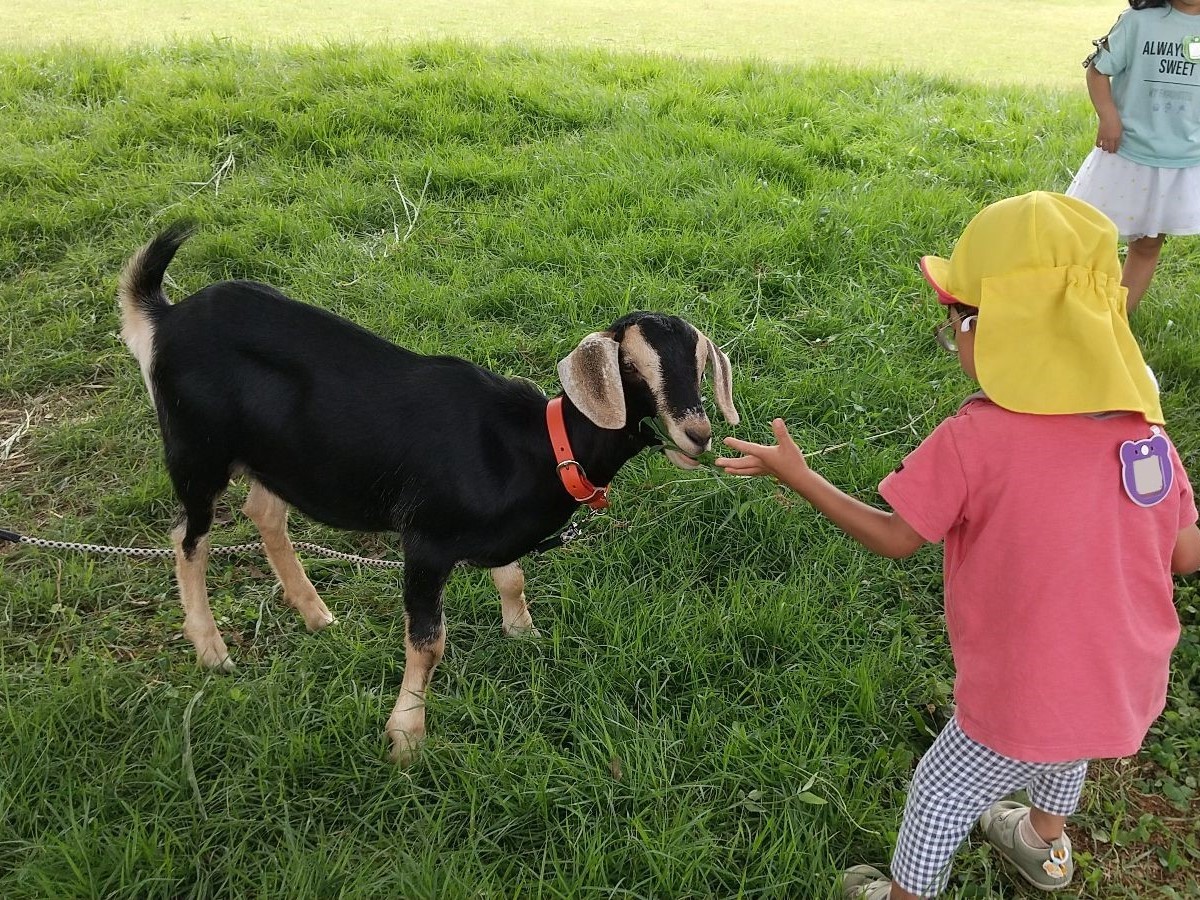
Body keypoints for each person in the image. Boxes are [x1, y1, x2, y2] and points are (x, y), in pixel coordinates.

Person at [717, 192, 1200, 899]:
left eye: (957, 325)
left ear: (995, 328)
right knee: (1070, 746)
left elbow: (895, 537)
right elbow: (1185, 555)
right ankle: (1043, 842)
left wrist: (799, 475)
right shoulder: (1146, 434)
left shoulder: (977, 439)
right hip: (1124, 680)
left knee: (941, 793)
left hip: (1021, 692)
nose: (955, 342)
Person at [1065, 0, 1200, 313]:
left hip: (1180, 162)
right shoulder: (1138, 22)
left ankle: (1116, 317)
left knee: (1149, 243)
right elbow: (1098, 71)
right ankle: (1067, 304)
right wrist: (1108, 116)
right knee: (1083, 232)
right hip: (1124, 153)